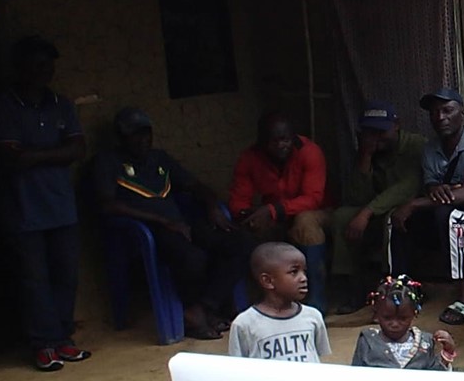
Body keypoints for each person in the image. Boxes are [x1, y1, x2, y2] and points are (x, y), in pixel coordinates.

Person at [93, 106, 252, 341]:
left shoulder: (159, 158)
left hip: (179, 225)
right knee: (193, 257)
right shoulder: (108, 162)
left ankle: (204, 308)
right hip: (146, 233)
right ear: (121, 137)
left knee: (238, 242)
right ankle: (198, 314)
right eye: (135, 134)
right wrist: (162, 221)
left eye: (146, 133)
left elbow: (196, 185)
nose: (142, 139)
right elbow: (107, 205)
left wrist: (212, 207)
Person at [0, 35, 88, 372]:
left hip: (62, 207)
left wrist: (34, 154)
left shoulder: (61, 104)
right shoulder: (5, 105)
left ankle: (63, 338)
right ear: (21, 68)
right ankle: (43, 344)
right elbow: (10, 158)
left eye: (48, 65)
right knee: (35, 280)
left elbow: (78, 150)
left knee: (66, 276)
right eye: (36, 65)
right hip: (24, 209)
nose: (43, 72)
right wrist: (56, 153)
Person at [392, 88, 464, 326]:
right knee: (402, 219)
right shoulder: (431, 148)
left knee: (449, 215)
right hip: (447, 212)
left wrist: (415, 202)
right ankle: (404, 287)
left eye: (447, 110)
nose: (440, 117)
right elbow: (433, 187)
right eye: (434, 113)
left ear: (463, 112)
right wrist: (435, 192)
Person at [325, 103, 428, 313]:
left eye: (381, 132)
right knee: (343, 216)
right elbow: (357, 196)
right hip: (378, 211)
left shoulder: (416, 146)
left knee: (392, 220)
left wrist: (367, 212)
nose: (375, 138)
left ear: (396, 126)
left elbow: (407, 187)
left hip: (413, 212)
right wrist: (365, 157)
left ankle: (393, 289)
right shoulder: (369, 151)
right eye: (369, 132)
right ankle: (353, 287)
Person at [229, 112, 328, 247]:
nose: (281, 145)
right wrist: (248, 214)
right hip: (276, 214)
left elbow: (313, 199)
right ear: (263, 142)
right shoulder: (249, 158)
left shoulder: (309, 152)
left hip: (316, 212)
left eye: (285, 140)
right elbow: (239, 200)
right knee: (249, 229)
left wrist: (274, 210)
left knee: (305, 222)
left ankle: (315, 268)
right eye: (274, 141)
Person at [226, 242, 329, 363]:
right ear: (268, 281)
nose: (303, 278)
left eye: (304, 271)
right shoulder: (245, 323)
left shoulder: (313, 316)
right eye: (294, 272)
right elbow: (238, 367)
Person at [348, 274, 456, 370]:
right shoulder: (368, 341)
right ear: (376, 314)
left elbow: (435, 378)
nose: (394, 324)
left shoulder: (425, 343)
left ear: (414, 314)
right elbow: (356, 378)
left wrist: (448, 352)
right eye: (387, 318)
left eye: (402, 318)